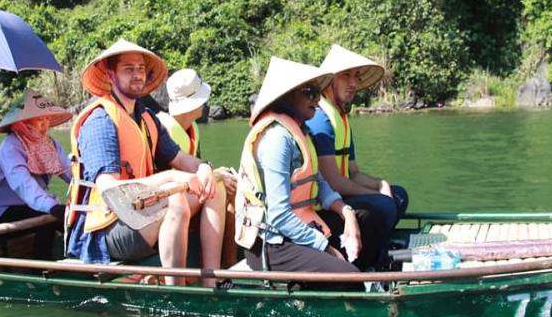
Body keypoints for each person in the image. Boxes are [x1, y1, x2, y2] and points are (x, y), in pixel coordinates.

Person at [66, 40, 224, 286]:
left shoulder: (145, 117)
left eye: (140, 68)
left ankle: (213, 281)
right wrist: (172, 178)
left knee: (214, 186)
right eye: (128, 69)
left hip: (141, 211)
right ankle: (176, 292)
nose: (138, 75)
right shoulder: (100, 121)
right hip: (105, 229)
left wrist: (203, 168)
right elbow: (110, 189)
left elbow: (181, 159)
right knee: (175, 202)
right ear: (110, 74)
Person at [236, 57, 388, 291]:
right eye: (310, 92)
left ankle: (362, 271)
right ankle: (351, 282)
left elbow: (318, 181)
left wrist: (346, 212)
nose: (317, 100)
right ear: (288, 96)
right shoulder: (278, 139)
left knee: (370, 216)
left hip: (300, 230)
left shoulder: (300, 131)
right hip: (273, 245)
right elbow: (278, 216)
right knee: (349, 279)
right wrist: (325, 248)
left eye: (317, 93)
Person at [307, 44, 409, 266]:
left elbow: (353, 172)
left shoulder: (341, 118)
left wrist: (380, 185)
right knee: (383, 205)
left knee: (398, 194)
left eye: (356, 77)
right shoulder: (320, 119)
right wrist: (379, 198)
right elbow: (333, 181)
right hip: (324, 210)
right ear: (330, 80)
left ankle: (376, 248)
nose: (353, 84)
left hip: (341, 196)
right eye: (346, 76)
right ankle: (363, 263)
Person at [0, 89, 73, 258]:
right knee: (48, 218)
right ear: (24, 122)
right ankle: (41, 270)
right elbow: (22, 184)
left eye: (47, 118)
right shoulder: (10, 146)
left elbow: (72, 173)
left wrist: (93, 191)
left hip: (28, 206)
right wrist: (52, 206)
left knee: (73, 217)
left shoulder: (51, 144)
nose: (45, 124)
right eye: (39, 119)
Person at [157, 68, 238, 268]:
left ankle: (229, 265)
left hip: (191, 192)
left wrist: (219, 174)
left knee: (230, 186)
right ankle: (217, 269)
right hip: (170, 198)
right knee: (218, 188)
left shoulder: (193, 129)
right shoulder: (164, 129)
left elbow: (198, 166)